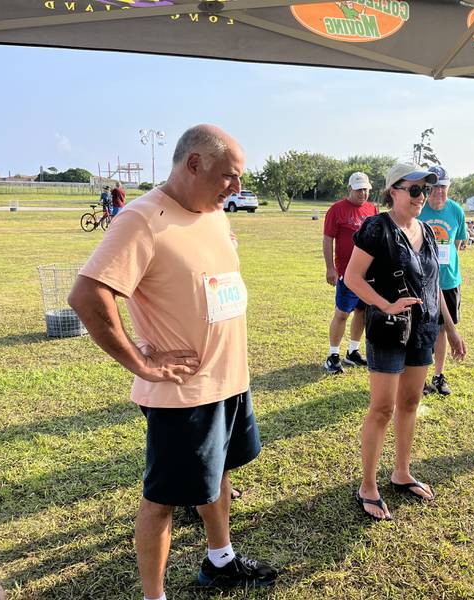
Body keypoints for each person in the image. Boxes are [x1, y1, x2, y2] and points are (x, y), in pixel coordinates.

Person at [68, 124, 277, 600]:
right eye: (229, 176)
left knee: (218, 474)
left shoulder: (214, 214)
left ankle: (219, 560)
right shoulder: (142, 219)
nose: (236, 188)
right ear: (194, 164)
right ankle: (154, 596)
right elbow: (87, 294)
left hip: (228, 382)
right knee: (161, 500)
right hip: (183, 395)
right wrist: (141, 363)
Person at [344, 163, 466, 520]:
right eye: (413, 190)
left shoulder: (427, 231)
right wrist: (385, 304)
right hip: (388, 330)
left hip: (424, 329)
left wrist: (451, 328)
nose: (421, 197)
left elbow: (434, 285)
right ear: (393, 191)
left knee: (410, 403)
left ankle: (401, 472)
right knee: (382, 408)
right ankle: (367, 485)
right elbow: (353, 277)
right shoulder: (376, 228)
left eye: (424, 191)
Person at [322, 172, 378, 374]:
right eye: (358, 189)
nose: (362, 193)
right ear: (350, 189)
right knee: (342, 314)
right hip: (347, 272)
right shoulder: (337, 210)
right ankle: (332, 355)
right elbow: (328, 239)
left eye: (365, 189)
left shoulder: (372, 209)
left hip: (368, 274)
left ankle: (353, 351)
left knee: (362, 312)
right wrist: (330, 268)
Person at [418, 165, 467, 396]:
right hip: (422, 281)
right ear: (427, 187)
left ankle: (438, 376)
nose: (439, 191)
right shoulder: (419, 210)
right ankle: (420, 378)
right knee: (422, 328)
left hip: (448, 280)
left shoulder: (456, 211)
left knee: (442, 330)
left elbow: (457, 246)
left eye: (443, 186)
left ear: (449, 187)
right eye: (434, 186)